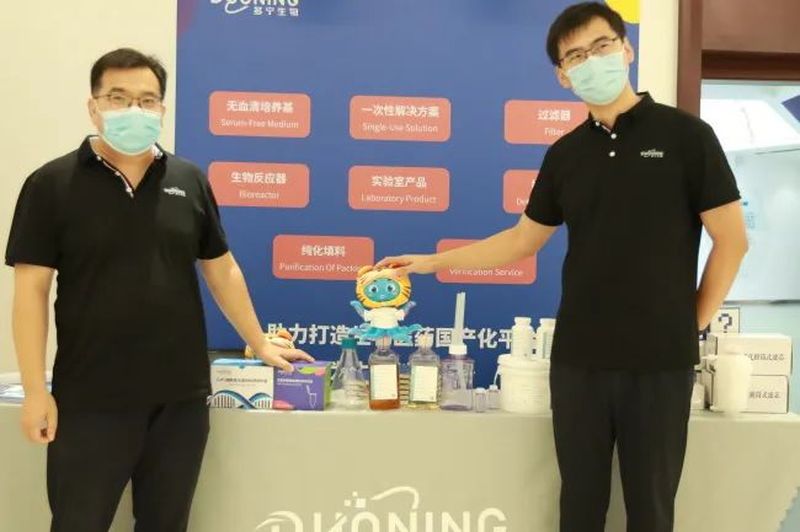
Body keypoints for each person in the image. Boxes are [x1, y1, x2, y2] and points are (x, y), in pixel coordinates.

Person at [377, 3, 748, 531]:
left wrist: (691, 324)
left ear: (626, 49)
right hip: (578, 361)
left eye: (601, 46)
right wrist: (432, 262)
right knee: (579, 505)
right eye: (575, 56)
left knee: (651, 508)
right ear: (563, 76)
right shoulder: (566, 155)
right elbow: (521, 240)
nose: (591, 61)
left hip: (659, 363)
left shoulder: (687, 137)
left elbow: (731, 241)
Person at [5, 48, 311, 532]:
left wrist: (258, 340)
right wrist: (36, 393)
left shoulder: (188, 180)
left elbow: (222, 268)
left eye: (147, 100)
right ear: (93, 106)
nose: (134, 110)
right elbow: (30, 293)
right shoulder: (52, 183)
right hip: (90, 399)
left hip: (179, 400)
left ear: (162, 109)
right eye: (118, 97)